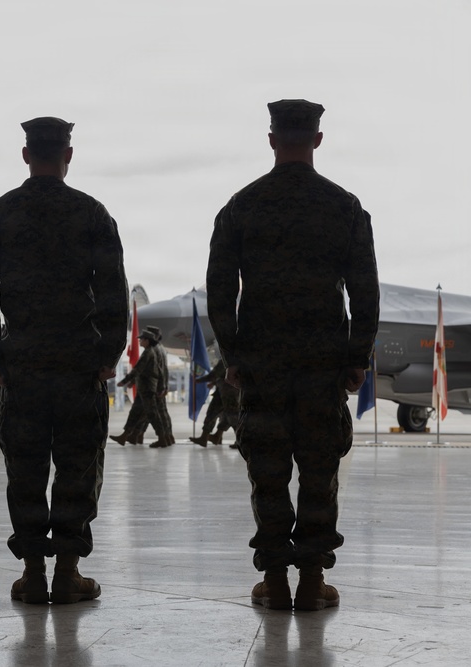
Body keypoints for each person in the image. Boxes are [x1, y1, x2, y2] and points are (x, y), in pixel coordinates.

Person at [206, 99, 379, 611]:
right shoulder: (344, 206)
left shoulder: (242, 205)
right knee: (320, 469)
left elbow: (220, 288)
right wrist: (356, 357)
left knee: (269, 469)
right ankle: (311, 581)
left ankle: (276, 581)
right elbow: (365, 292)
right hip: (323, 361)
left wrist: (233, 353)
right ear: (317, 139)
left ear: (273, 138)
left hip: (261, 362)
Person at [0, 117, 128, 604]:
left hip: (22, 363)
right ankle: (68, 570)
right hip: (79, 363)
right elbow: (112, 291)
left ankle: (34, 572)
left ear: (26, 155)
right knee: (78, 463)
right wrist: (108, 354)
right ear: (68, 155)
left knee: (27, 465)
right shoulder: (92, 213)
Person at [110, 327, 166, 446]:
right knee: (134, 413)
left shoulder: (148, 353)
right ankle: (124, 436)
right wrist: (133, 382)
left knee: (152, 414)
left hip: (147, 388)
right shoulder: (150, 351)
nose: (140, 341)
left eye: (142, 339)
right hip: (144, 388)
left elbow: (137, 369)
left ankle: (162, 439)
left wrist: (125, 381)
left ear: (147, 340)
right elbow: (148, 371)